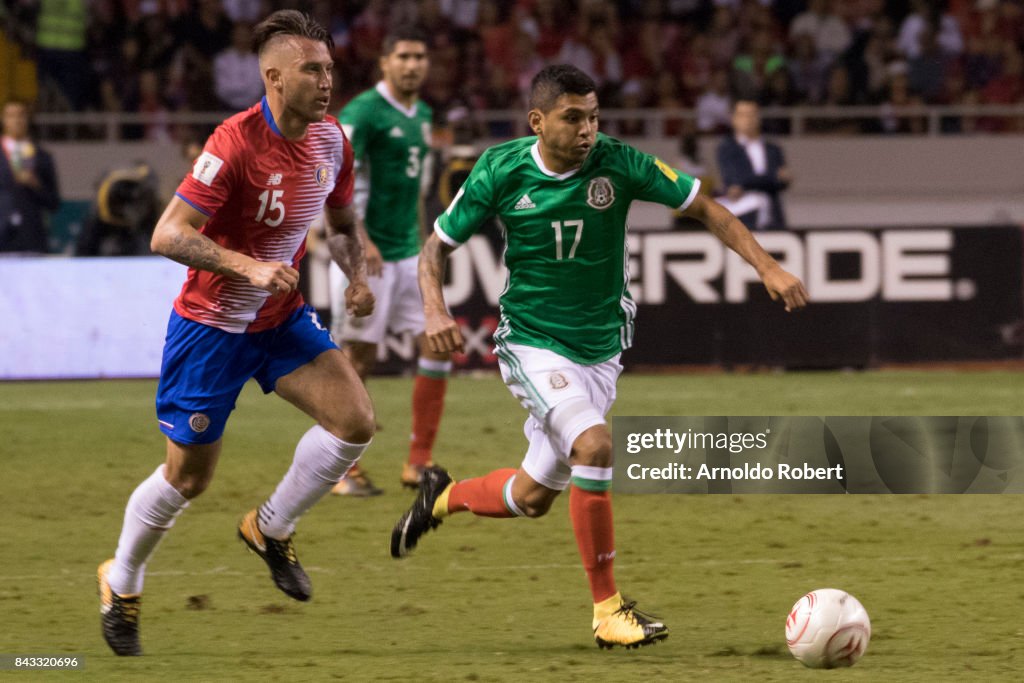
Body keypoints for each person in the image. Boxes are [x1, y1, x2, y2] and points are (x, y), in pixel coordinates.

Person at [391, 64, 808, 649]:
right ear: (538, 122)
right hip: (533, 342)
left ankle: (444, 498)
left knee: (534, 496)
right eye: (572, 118)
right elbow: (434, 250)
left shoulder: (620, 161)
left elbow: (706, 208)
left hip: (601, 349)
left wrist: (767, 266)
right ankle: (608, 611)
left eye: (593, 116)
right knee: (596, 445)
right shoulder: (501, 168)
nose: (587, 129)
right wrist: (435, 311)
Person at [96, 10, 376, 657]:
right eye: (312, 69)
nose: (326, 80)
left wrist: (357, 273)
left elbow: (340, 218)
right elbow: (166, 233)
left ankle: (271, 527)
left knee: (355, 421)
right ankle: (123, 578)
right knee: (188, 479)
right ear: (273, 76)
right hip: (211, 329)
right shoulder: (234, 143)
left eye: (330, 69)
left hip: (278, 319)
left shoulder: (333, 140)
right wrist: (248, 264)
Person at [328, 25, 450, 496]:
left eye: (420, 56)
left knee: (438, 343)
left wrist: (427, 248)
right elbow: (335, 178)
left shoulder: (423, 114)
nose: (413, 64)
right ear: (385, 62)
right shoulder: (363, 112)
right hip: (367, 257)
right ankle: (341, 468)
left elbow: (418, 194)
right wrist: (361, 242)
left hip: (407, 254)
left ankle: (418, 462)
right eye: (403, 56)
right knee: (360, 359)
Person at [716, 99, 792, 231]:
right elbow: (736, 179)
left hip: (773, 218)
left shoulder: (772, 148)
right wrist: (773, 177)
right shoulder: (727, 148)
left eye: (752, 114)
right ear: (734, 119)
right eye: (743, 115)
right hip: (744, 218)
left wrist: (748, 183)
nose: (748, 119)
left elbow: (782, 182)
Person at [0, 99, 60, 254]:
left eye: (21, 115)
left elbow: (54, 203)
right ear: (3, 119)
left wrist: (36, 184)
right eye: (11, 115)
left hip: (32, 239)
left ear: (28, 119)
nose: (17, 120)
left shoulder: (43, 157)